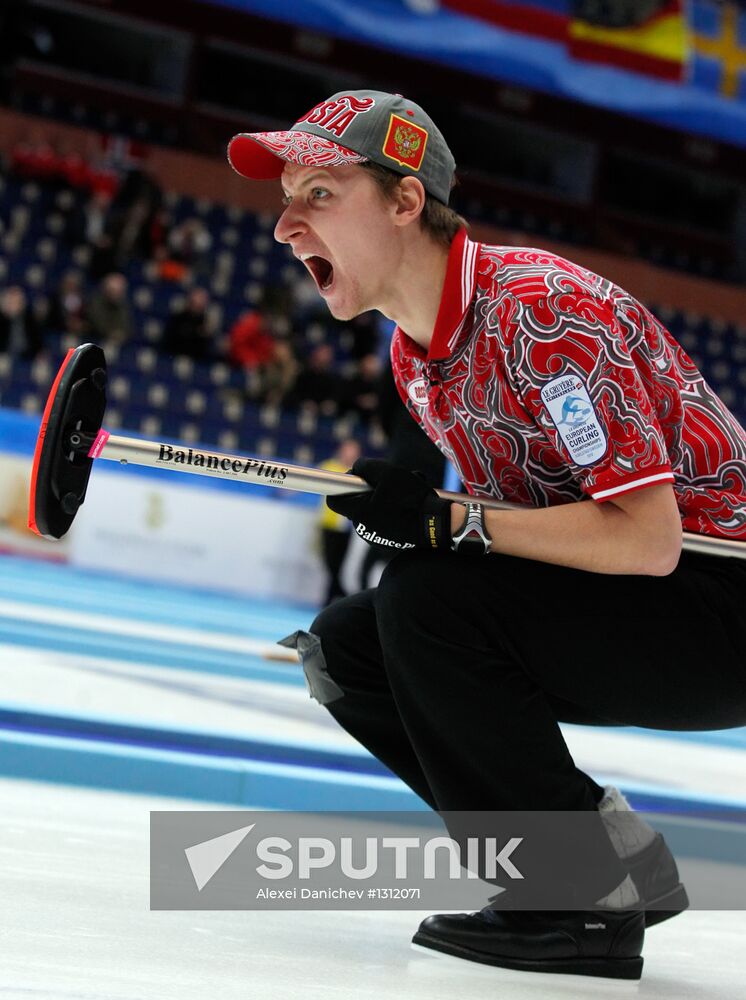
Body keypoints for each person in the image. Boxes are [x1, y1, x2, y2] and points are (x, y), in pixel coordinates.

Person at [227, 90, 746, 980]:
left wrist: (445, 522)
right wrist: (439, 528)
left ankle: (580, 903)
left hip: (720, 598)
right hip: (656, 598)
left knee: (429, 603)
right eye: (287, 199)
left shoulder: (542, 313)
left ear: (404, 202)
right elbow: (530, 542)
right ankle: (614, 856)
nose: (285, 226)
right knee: (349, 647)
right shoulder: (413, 352)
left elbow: (648, 539)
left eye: (319, 193)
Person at [316, 439, 361, 607]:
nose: (351, 454)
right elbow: (308, 477)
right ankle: (340, 594)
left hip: (346, 527)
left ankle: (331, 599)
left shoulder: (356, 473)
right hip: (328, 525)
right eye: (349, 450)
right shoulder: (330, 466)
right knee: (330, 564)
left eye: (355, 451)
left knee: (337, 566)